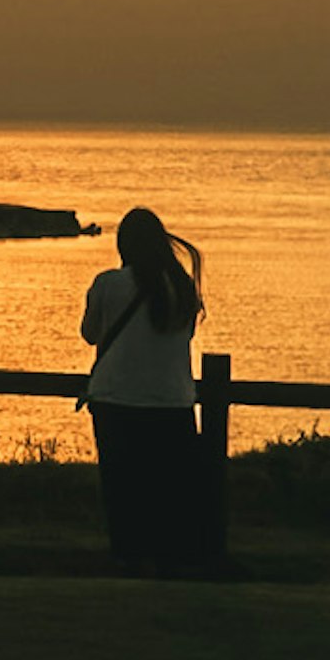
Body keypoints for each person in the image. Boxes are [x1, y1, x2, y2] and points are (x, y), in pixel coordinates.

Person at [81, 206, 207, 572]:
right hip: (173, 400)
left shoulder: (107, 284)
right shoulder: (182, 287)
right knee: (169, 488)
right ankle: (171, 556)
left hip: (115, 398)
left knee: (122, 486)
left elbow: (90, 334)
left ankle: (127, 556)